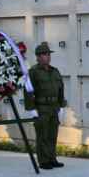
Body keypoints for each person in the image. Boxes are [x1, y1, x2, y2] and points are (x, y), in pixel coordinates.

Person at [24, 42, 67, 170]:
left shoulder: (54, 71)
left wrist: (61, 105)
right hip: (41, 107)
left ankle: (52, 158)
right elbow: (28, 90)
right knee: (42, 134)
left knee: (52, 134)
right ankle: (43, 160)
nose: (47, 57)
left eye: (48, 54)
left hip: (53, 107)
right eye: (44, 54)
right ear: (38, 56)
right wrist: (31, 108)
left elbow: (61, 89)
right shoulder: (34, 71)